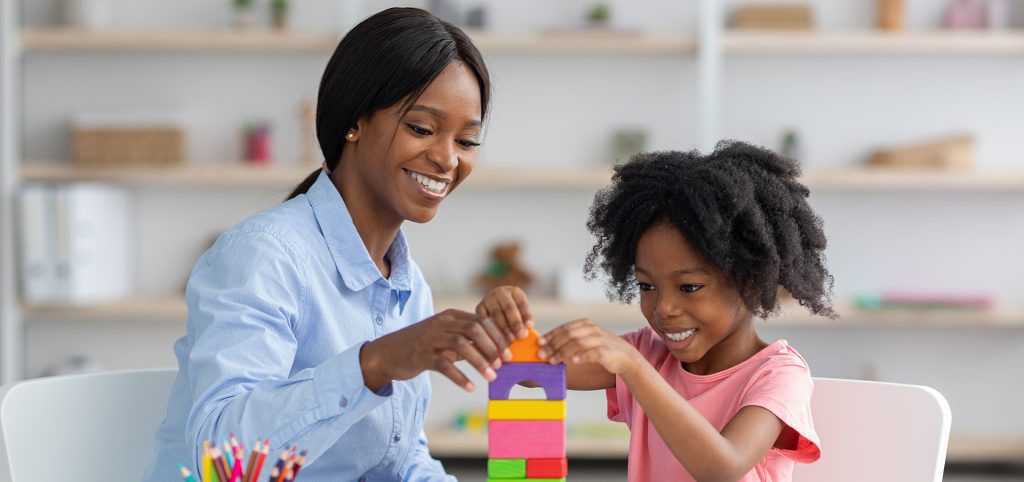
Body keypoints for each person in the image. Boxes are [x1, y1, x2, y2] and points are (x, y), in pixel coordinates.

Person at [145, 8, 513, 481]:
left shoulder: (408, 286)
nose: (447, 159)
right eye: (421, 129)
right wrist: (373, 363)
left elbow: (398, 461)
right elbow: (222, 459)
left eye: (467, 141)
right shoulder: (263, 256)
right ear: (354, 121)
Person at [478, 141, 835, 481]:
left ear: (751, 281)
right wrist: (501, 320)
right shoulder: (647, 354)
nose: (663, 308)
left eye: (689, 287)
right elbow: (525, 369)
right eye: (647, 286)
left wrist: (633, 368)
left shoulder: (778, 375)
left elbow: (722, 468)